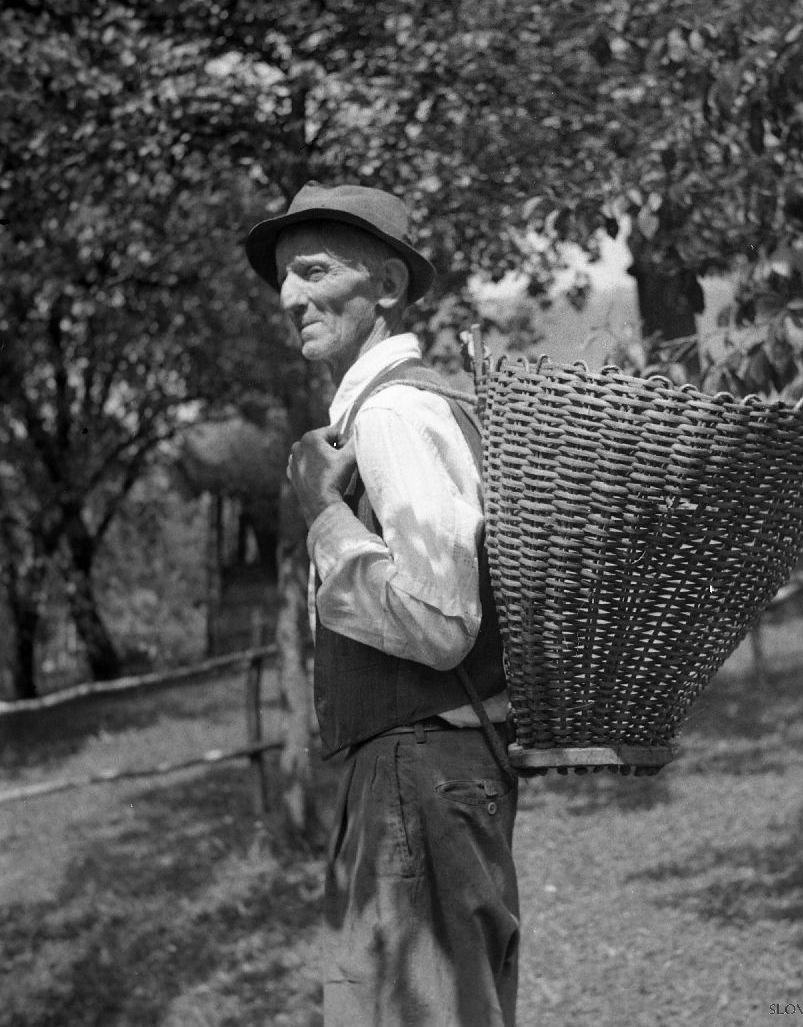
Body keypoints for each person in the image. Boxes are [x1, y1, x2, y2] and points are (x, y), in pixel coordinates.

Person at [245, 182, 519, 1026]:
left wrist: (323, 513)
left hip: (417, 774)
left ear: (389, 287)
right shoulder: (388, 408)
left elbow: (440, 622)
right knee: (373, 1008)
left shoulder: (395, 413)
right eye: (284, 277)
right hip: (402, 778)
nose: (290, 297)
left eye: (314, 270)